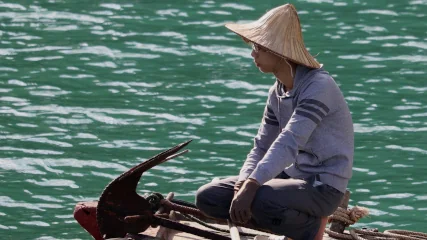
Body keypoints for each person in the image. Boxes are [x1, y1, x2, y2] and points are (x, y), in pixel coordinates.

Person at [195, 3, 354, 240]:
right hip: (289, 179)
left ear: (278, 52)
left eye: (258, 47)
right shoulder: (277, 92)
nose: (253, 54)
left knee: (260, 198)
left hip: (322, 187)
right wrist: (243, 182)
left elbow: (289, 142)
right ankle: (285, 220)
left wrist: (252, 186)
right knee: (208, 196)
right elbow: (262, 145)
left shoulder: (319, 87)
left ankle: (310, 228)